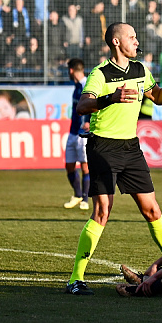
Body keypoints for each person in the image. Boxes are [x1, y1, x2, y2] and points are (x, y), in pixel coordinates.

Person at [66, 22, 162, 296]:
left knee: (153, 210)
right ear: (116, 42)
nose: (137, 42)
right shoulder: (99, 74)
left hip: (130, 148)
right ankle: (76, 279)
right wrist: (110, 98)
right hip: (103, 146)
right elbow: (82, 105)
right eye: (132, 37)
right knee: (102, 212)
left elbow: (157, 97)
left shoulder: (140, 70)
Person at [64, 58, 91, 210]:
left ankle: (85, 200)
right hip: (72, 132)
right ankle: (78, 194)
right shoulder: (76, 87)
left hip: (83, 133)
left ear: (71, 70)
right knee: (69, 165)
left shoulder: (87, 85)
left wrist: (89, 120)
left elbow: (95, 104)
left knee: (85, 166)